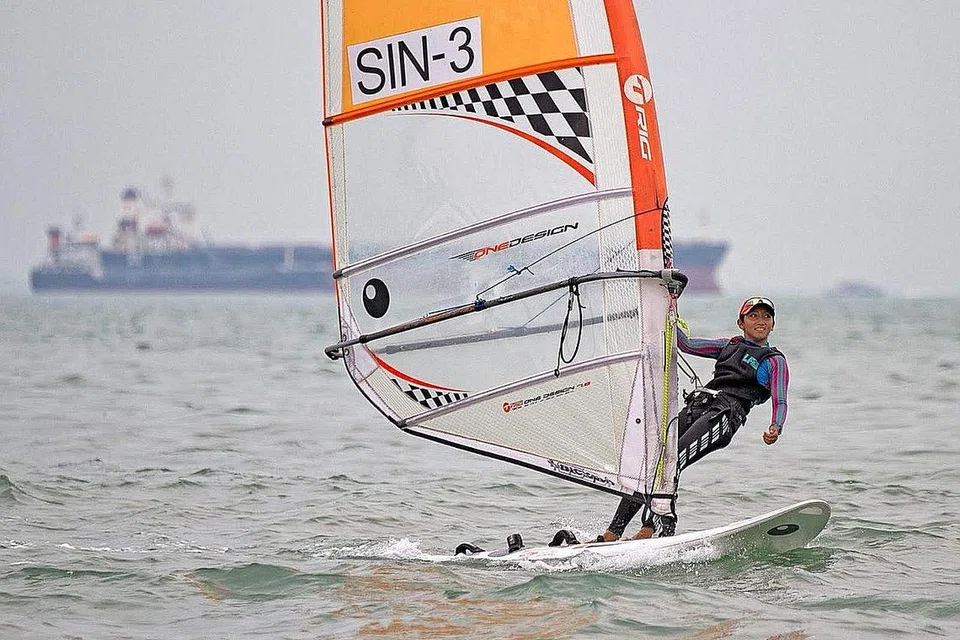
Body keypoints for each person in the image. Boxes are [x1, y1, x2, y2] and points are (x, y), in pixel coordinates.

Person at [596, 296, 789, 541]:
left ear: (773, 324)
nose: (760, 321)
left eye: (766, 316)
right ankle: (613, 532)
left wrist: (776, 426)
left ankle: (654, 528)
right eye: (753, 316)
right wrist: (666, 307)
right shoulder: (728, 345)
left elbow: (780, 400)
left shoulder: (774, 361)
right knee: (651, 462)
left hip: (724, 416)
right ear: (741, 323)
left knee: (671, 462)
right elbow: (685, 344)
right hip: (698, 407)